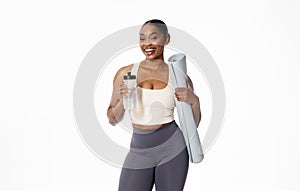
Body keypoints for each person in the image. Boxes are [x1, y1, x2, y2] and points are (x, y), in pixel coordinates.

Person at [107, 19, 201, 191]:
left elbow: (192, 124)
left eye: (153, 37)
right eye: (142, 38)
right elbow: (112, 119)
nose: (147, 44)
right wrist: (122, 101)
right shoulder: (126, 73)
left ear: (166, 39)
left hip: (173, 150)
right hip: (139, 151)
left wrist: (194, 101)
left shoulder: (179, 77)